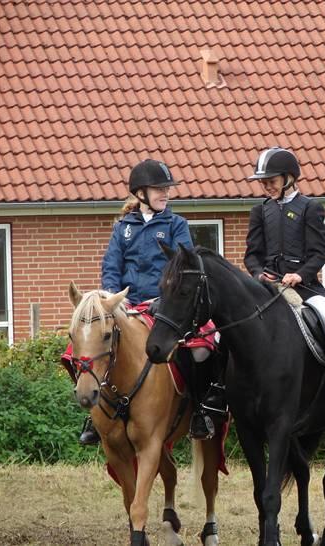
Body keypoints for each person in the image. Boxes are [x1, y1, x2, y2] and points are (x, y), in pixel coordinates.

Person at [77, 159, 222, 445]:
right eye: (159, 189)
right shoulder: (122, 228)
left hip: (163, 307)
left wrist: (166, 298)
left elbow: (183, 266)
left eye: (167, 189)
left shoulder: (176, 224)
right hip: (126, 306)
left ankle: (200, 410)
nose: (165, 193)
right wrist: (112, 299)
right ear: (141, 193)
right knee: (85, 346)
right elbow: (111, 267)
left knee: (201, 350)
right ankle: (95, 414)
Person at [244, 147, 325, 411]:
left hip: (305, 286)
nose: (266, 187)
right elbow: (252, 255)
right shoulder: (259, 212)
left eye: (270, 181)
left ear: (288, 178)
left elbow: (319, 254)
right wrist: (259, 274)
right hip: (269, 286)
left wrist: (300, 274)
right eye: (263, 182)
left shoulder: (310, 208)